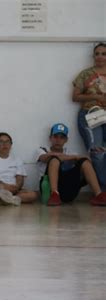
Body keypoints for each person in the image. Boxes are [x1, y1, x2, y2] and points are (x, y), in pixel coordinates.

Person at [36, 123, 106, 206]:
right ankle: (54, 194)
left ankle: (98, 195)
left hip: (67, 189)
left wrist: (79, 158)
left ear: (66, 140)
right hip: (48, 189)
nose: (58, 140)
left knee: (84, 162)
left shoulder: (70, 153)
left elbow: (87, 161)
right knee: (54, 160)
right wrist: (74, 157)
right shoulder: (43, 149)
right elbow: (44, 157)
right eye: (55, 136)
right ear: (50, 138)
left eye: (62, 137)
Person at [72, 42, 106, 190]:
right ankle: (103, 190)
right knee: (97, 153)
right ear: (93, 56)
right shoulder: (85, 74)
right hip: (92, 114)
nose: (100, 56)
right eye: (97, 53)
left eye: (104, 54)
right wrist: (97, 97)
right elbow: (75, 97)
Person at [0, 132, 38, 206]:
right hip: (0, 187)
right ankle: (8, 199)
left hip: (15, 189)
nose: (5, 144)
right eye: (1, 141)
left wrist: (17, 187)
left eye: (7, 142)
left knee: (33, 195)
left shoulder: (17, 159)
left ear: (11, 145)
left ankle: (10, 199)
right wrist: (6, 186)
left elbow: (20, 178)